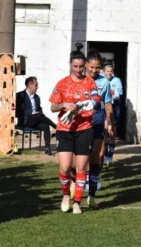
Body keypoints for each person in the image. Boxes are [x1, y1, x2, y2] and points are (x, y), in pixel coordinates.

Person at [49, 50, 101, 214]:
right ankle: (66, 195)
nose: (79, 70)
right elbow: (53, 107)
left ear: (85, 65)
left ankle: (77, 202)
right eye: (75, 66)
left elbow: (97, 101)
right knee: (65, 168)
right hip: (65, 129)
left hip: (85, 129)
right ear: (70, 65)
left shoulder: (90, 82)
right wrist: (64, 105)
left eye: (81, 66)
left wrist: (85, 104)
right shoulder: (62, 83)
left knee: (81, 167)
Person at [84, 50, 115, 207]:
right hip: (82, 118)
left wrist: (108, 121)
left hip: (98, 117)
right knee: (81, 157)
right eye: (92, 67)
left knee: (100, 155)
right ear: (86, 65)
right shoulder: (79, 80)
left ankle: (92, 182)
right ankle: (80, 179)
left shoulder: (105, 82)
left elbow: (108, 103)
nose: (94, 70)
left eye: (97, 67)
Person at [16, 76, 57, 155]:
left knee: (45, 125)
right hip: (25, 120)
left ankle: (47, 148)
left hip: (36, 120)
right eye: (36, 85)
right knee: (39, 115)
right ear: (30, 86)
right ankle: (56, 127)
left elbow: (39, 110)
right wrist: (31, 113)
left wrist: (38, 114)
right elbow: (18, 111)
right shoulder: (20, 96)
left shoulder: (37, 97)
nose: (37, 87)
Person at [102, 64, 122, 165]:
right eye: (107, 71)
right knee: (105, 132)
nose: (109, 73)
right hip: (103, 108)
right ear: (103, 71)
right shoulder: (101, 80)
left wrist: (108, 96)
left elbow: (118, 95)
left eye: (111, 71)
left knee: (112, 132)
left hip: (114, 107)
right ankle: (105, 155)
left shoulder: (116, 80)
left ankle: (110, 156)